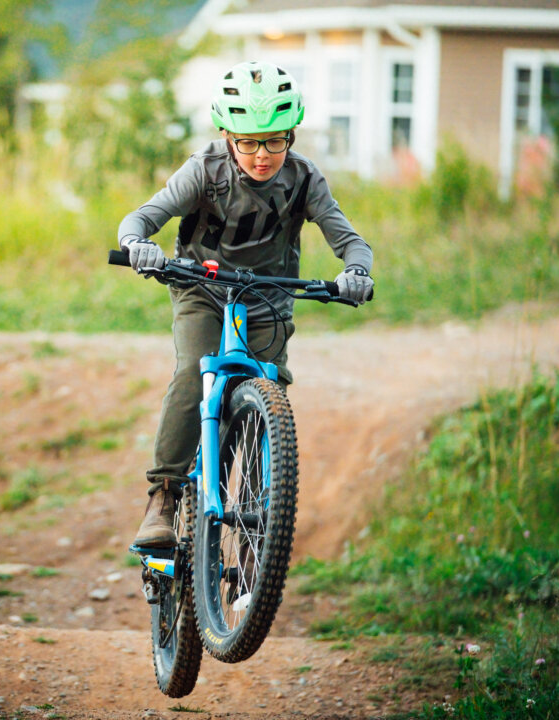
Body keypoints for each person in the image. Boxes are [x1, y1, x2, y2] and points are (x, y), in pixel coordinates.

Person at [120, 60, 374, 548]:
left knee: (266, 388)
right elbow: (142, 217)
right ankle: (164, 496)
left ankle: (258, 504)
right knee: (195, 373)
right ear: (226, 134)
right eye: (249, 142)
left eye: (275, 140)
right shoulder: (205, 170)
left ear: (292, 136)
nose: (262, 155)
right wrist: (140, 245)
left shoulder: (303, 179)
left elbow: (350, 241)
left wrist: (356, 272)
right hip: (202, 288)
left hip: (267, 298)